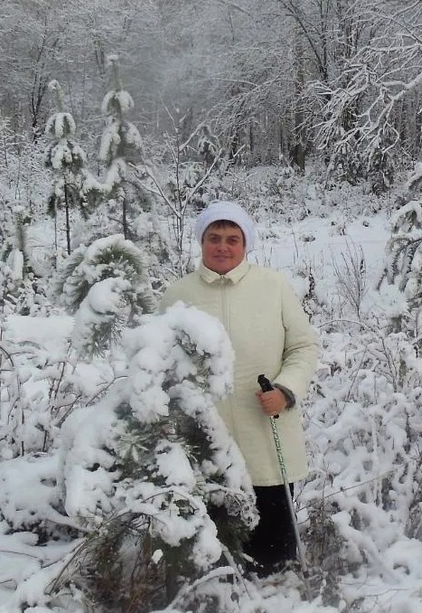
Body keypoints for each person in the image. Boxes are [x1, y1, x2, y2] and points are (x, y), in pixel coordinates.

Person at [158, 200, 319, 575]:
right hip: (204, 446)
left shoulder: (274, 286)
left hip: (266, 438)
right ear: (201, 242)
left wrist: (286, 389)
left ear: (246, 244)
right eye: (214, 237)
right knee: (212, 557)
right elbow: (161, 365)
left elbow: (303, 347)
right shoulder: (177, 295)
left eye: (233, 239)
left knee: (274, 557)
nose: (223, 247)